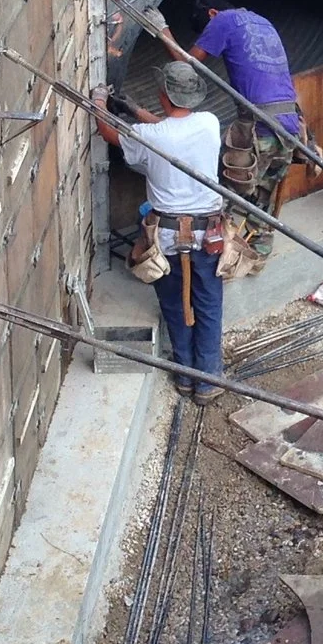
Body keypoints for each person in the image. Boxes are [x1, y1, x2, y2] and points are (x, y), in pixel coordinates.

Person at [97, 61, 225, 399]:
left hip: (166, 238)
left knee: (172, 303)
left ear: (163, 95)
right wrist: (136, 111)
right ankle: (208, 379)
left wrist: (99, 104)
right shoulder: (209, 123)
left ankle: (183, 375)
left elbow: (112, 135)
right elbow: (172, 133)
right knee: (208, 304)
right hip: (207, 234)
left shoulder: (149, 136)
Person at [181, 0, 305, 260]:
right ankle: (258, 252)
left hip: (259, 126)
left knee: (228, 192)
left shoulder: (222, 20)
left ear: (212, 13)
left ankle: (217, 256)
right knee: (263, 196)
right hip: (289, 124)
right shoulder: (262, 21)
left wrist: (162, 32)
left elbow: (187, 65)